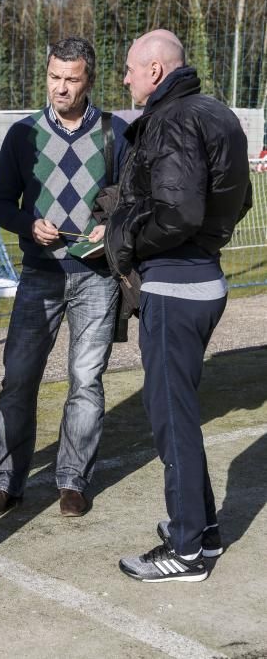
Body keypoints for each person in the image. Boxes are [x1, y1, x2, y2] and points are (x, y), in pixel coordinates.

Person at [105, 29, 252, 582]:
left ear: (156, 71)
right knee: (180, 415)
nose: (124, 78)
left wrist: (122, 238)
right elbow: (241, 199)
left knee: (173, 423)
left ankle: (187, 550)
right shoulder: (217, 112)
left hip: (176, 286)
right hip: (201, 279)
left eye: (130, 68)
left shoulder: (171, 119)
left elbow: (179, 213)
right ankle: (202, 528)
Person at [0, 36, 128, 518]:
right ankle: (6, 481)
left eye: (71, 79)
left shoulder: (116, 133)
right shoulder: (22, 135)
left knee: (85, 381)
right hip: (39, 275)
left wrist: (112, 225)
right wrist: (28, 224)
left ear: (89, 80)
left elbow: (134, 200)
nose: (60, 88)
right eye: (54, 77)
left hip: (97, 278)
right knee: (18, 379)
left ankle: (73, 480)